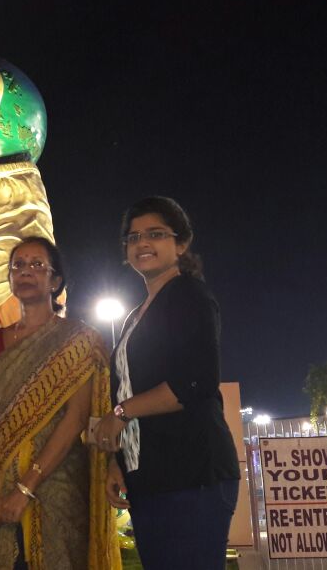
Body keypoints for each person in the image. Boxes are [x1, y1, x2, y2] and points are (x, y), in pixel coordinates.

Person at [93, 197, 240, 570]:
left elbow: (194, 382)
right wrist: (119, 464)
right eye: (134, 237)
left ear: (181, 243)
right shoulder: (132, 317)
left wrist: (121, 415)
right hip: (150, 480)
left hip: (192, 476)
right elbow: (125, 387)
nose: (142, 243)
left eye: (155, 234)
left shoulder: (189, 296)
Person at [0, 237, 121, 570]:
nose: (25, 271)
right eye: (17, 265)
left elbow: (76, 419)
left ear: (55, 281)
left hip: (56, 488)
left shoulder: (78, 340)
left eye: (37, 265)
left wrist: (26, 487)